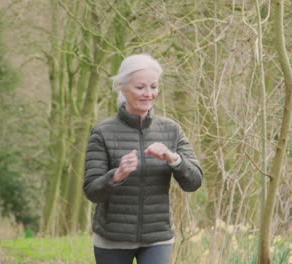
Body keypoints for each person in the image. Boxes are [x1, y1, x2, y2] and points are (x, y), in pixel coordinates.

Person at [83, 54, 203, 264]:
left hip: (158, 238)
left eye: (154, 87)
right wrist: (117, 175)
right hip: (112, 239)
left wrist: (174, 159)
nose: (149, 94)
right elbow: (92, 191)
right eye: (140, 88)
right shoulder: (102, 132)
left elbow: (194, 182)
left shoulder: (171, 130)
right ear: (122, 87)